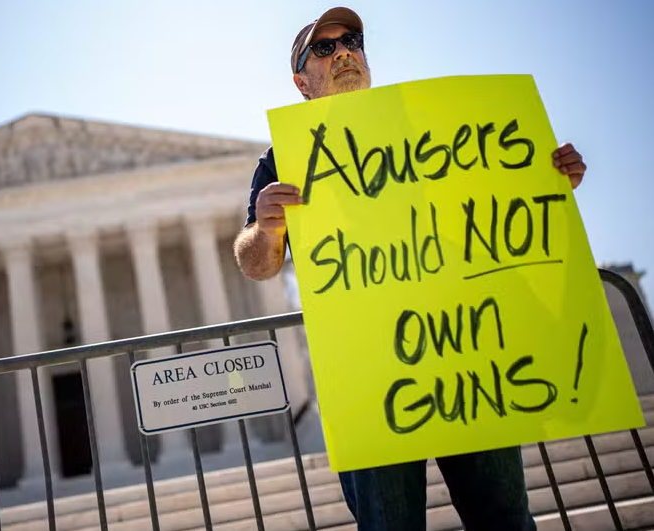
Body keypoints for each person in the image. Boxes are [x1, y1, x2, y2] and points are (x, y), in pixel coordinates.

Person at [232, 7, 587, 531]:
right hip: (367, 373)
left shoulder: (437, 125)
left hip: (465, 355)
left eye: (352, 40)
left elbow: (499, 206)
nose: (344, 52)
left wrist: (548, 179)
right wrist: (266, 229)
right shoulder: (284, 159)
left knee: (505, 518)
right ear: (301, 82)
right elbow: (256, 265)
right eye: (325, 49)